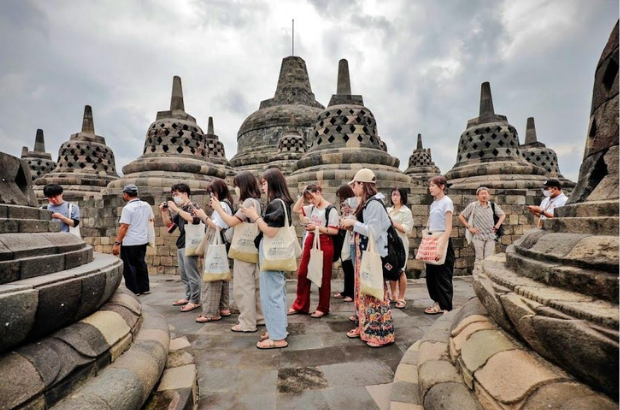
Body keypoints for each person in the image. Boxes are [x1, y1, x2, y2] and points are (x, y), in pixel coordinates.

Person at [340, 168, 395, 348]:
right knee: (365, 292)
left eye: (355, 184)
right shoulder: (368, 203)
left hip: (372, 254)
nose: (353, 188)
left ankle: (379, 334)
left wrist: (353, 223)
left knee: (374, 294)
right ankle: (366, 327)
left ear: (362, 184)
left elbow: (373, 231)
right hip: (364, 254)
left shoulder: (373, 204)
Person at [240, 168, 293, 349]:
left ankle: (278, 338)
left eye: (264, 183)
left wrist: (254, 217)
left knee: (271, 294)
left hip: (271, 252)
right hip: (275, 253)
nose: (262, 187)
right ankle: (277, 329)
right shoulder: (283, 202)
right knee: (276, 292)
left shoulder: (277, 203)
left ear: (273, 182)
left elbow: (270, 231)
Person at [209, 172, 264, 332]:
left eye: (237, 185)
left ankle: (247, 322)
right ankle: (259, 317)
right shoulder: (256, 201)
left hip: (244, 250)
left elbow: (232, 222)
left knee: (243, 286)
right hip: (253, 248)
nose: (235, 189)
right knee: (255, 285)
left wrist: (218, 208)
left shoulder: (248, 201)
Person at [288, 184, 340, 318]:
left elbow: (334, 230)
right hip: (311, 239)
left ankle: (323, 307)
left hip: (325, 241)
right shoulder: (312, 208)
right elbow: (296, 209)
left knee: (324, 275)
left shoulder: (330, 209)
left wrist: (316, 227)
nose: (311, 201)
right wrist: (303, 194)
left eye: (312, 197)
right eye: (308, 199)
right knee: (302, 273)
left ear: (319, 192)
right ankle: (300, 304)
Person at [194, 178, 234, 323]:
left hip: (216, 239)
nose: (211, 195)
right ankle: (223, 307)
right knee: (221, 273)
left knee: (212, 275)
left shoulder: (222, 204)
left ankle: (211, 312)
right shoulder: (226, 203)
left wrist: (203, 216)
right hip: (221, 241)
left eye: (212, 192)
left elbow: (218, 226)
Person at [160, 183, 202, 312]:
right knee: (184, 275)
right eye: (173, 195)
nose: (174, 197)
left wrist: (177, 209)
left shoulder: (192, 206)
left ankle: (195, 300)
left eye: (177, 194)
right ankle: (188, 296)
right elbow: (169, 225)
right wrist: (164, 212)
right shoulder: (182, 209)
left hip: (190, 244)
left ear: (185, 194)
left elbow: (194, 219)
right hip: (182, 244)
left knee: (192, 275)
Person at [112, 184, 154, 295]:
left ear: (126, 194)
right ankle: (144, 288)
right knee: (141, 264)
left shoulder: (128, 208)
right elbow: (151, 219)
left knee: (129, 266)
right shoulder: (146, 205)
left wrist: (117, 243)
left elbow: (124, 226)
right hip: (142, 240)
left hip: (130, 242)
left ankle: (133, 290)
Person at [424, 176, 455, 315]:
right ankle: (437, 302)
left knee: (443, 275)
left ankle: (446, 307)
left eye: (433, 185)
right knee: (431, 275)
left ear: (442, 186)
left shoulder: (447, 202)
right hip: (433, 239)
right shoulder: (434, 203)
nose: (430, 188)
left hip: (443, 240)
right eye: (430, 185)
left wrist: (441, 247)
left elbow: (448, 228)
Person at [458, 186, 506, 263]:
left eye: (485, 193)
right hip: (478, 235)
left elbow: (502, 215)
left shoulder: (492, 205)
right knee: (479, 258)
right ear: (477, 196)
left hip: (490, 235)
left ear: (488, 195)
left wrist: (497, 225)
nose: (484, 195)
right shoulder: (473, 205)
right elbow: (461, 216)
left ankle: (485, 274)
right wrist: (469, 227)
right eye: (482, 194)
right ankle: (477, 274)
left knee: (489, 258)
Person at [387, 187, 414, 309]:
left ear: (402, 197)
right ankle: (394, 294)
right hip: (389, 242)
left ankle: (402, 296)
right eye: (393, 195)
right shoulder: (389, 210)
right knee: (391, 267)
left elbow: (407, 229)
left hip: (401, 243)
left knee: (401, 270)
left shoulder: (406, 211)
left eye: (397, 195)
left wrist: (393, 223)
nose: (395, 197)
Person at [333, 184, 357, 303]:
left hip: (350, 236)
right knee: (345, 265)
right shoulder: (345, 204)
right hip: (344, 235)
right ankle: (346, 291)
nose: (341, 200)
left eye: (342, 197)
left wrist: (348, 213)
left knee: (349, 266)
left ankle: (351, 293)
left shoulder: (353, 203)